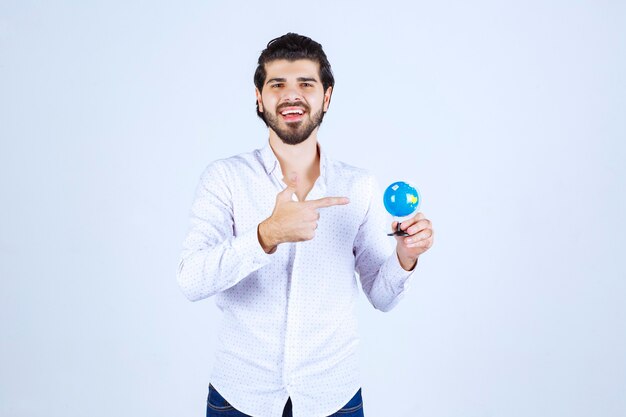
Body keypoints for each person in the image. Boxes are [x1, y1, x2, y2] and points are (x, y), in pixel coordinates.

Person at [177, 33, 434, 417]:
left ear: (326, 97)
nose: (291, 95)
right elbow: (190, 280)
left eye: (306, 84)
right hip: (239, 396)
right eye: (277, 84)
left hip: (334, 397)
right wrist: (265, 236)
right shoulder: (224, 178)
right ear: (259, 98)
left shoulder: (358, 186)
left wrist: (405, 255)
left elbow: (382, 297)